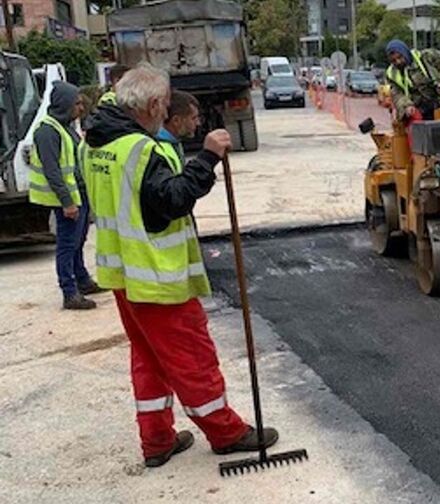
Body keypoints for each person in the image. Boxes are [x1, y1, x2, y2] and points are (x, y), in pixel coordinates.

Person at [82, 64, 279, 468]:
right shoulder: (141, 150)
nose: (166, 111)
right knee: (192, 356)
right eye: (166, 104)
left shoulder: (96, 143)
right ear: (154, 104)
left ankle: (156, 440)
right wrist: (206, 157)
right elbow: (172, 200)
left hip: (123, 275)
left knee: (148, 358)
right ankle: (226, 432)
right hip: (156, 276)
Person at [30, 82, 105, 310]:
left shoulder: (65, 127)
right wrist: (67, 202)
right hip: (68, 201)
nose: (80, 108)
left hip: (79, 196)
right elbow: (53, 171)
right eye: (77, 103)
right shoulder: (47, 131)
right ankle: (69, 292)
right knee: (67, 245)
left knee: (78, 242)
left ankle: (82, 280)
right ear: (64, 104)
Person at [384, 39, 440, 122]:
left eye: (400, 57)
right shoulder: (391, 74)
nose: (398, 62)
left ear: (405, 53)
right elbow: (397, 95)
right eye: (394, 61)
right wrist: (406, 106)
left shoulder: (426, 57)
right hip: (418, 110)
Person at [156, 90, 200, 167]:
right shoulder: (159, 150)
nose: (198, 123)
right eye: (193, 118)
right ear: (176, 120)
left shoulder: (172, 143)